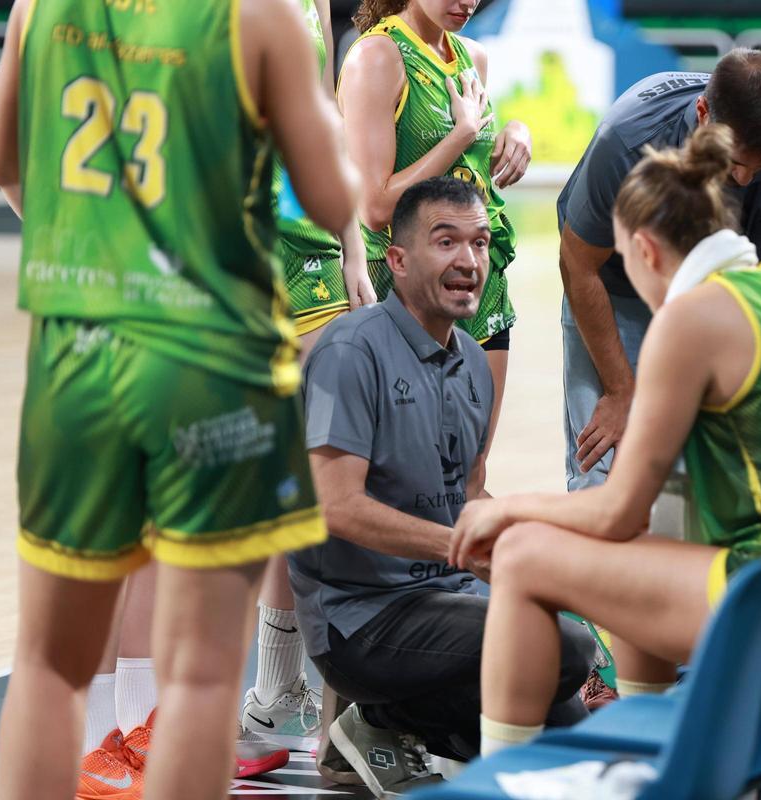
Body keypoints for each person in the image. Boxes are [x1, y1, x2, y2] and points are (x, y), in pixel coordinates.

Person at [448, 125, 761, 758]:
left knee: (521, 555)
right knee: (640, 554)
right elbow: (646, 519)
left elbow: (615, 512)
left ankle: (503, 778)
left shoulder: (692, 316)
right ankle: (648, 753)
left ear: (644, 249)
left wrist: (504, 510)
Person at [0, 0, 358, 797]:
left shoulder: (38, 7)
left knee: (48, 664)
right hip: (208, 353)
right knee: (201, 675)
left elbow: (5, 161)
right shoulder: (259, 16)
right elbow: (331, 199)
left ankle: (110, 745)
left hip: (78, 348)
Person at [288, 177, 593, 795]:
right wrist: (460, 548)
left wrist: (531, 540)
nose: (469, 260)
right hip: (360, 619)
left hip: (446, 602)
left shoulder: (474, 361)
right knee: (562, 645)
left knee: (571, 745)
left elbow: (468, 496)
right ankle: (378, 715)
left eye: (480, 243)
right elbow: (334, 505)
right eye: (446, 241)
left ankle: (391, 729)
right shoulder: (351, 351)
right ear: (397, 261)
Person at [558, 47, 761, 491]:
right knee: (602, 467)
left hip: (716, 301)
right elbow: (579, 263)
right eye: (735, 162)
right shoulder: (627, 139)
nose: (743, 181)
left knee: (692, 470)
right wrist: (621, 391)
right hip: (609, 290)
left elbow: (748, 296)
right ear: (703, 114)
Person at [242, 0, 374, 754]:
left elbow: (323, 121)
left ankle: (289, 694)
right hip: (234, 250)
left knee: (321, 477)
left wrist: (351, 244)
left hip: (312, 252)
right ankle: (273, 690)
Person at [338, 0, 531, 456]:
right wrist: (461, 135)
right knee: (404, 474)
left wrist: (516, 130)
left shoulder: (473, 56)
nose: (467, 3)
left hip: (483, 293)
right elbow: (375, 206)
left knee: (472, 475)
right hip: (408, 299)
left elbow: (475, 162)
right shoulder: (377, 57)